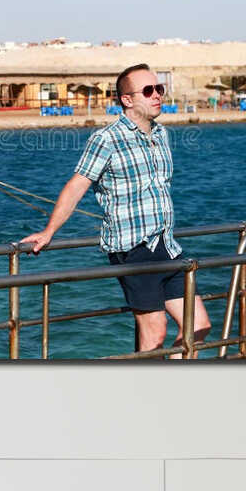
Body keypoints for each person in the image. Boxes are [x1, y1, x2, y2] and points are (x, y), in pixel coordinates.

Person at [19, 63, 210, 355]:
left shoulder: (161, 135)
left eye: (159, 88)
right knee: (154, 333)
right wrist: (49, 231)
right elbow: (77, 185)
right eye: (149, 90)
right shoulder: (106, 139)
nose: (157, 95)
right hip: (133, 248)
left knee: (199, 326)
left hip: (166, 245)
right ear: (127, 99)